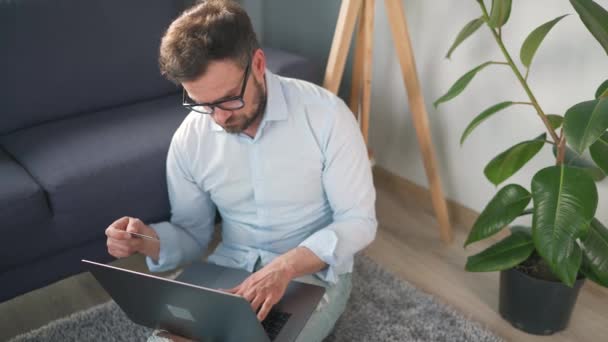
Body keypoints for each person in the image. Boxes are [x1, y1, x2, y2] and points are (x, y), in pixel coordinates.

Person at [104, 0, 377, 341]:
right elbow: (192, 234)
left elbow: (358, 221)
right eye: (202, 104)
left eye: (229, 98)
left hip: (311, 275)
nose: (219, 117)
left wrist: (283, 267)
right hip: (227, 268)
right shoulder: (190, 139)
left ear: (258, 64)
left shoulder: (327, 117)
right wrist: (145, 239)